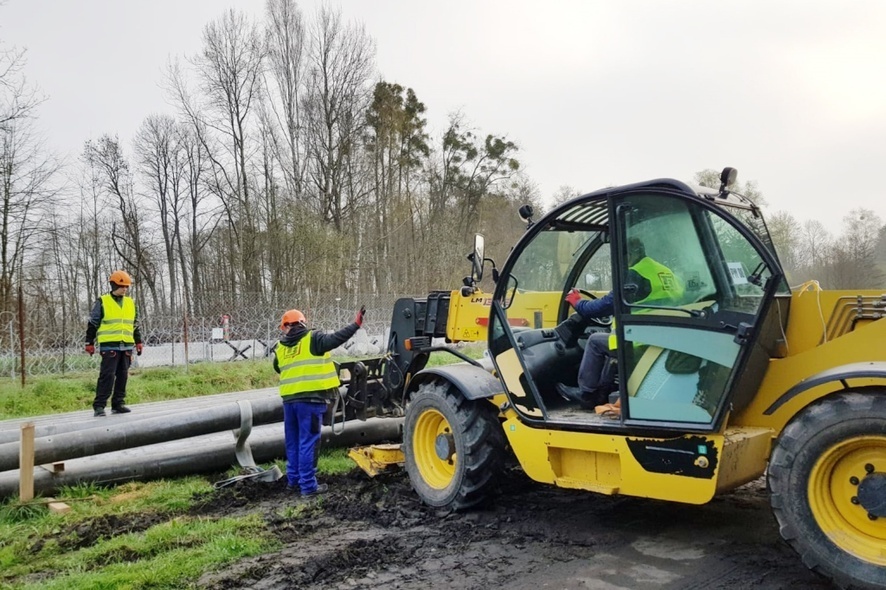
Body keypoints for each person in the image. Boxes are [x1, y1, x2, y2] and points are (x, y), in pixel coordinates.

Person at [556, 238, 683, 408]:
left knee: (595, 341)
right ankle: (602, 394)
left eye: (623, 256)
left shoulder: (634, 274)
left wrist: (577, 302)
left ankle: (586, 393)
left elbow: (603, 307)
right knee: (611, 342)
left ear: (632, 254)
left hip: (641, 340)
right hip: (665, 338)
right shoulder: (663, 271)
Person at [273, 306, 365, 497]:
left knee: (293, 442)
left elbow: (278, 368)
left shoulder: (280, 348)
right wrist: (355, 325)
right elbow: (336, 338)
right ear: (303, 323)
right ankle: (308, 487)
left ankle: (293, 481)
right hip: (311, 402)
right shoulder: (313, 340)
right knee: (308, 442)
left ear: (285, 327)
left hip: (289, 403)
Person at [85, 270, 144, 417]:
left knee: (123, 375)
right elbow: (93, 323)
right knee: (107, 376)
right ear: (113, 285)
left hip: (126, 345)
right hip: (109, 345)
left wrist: (138, 341)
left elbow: (134, 325)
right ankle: (99, 406)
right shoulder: (102, 301)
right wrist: (89, 342)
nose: (124, 289)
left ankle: (118, 403)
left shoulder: (130, 303)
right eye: (121, 286)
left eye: (126, 287)